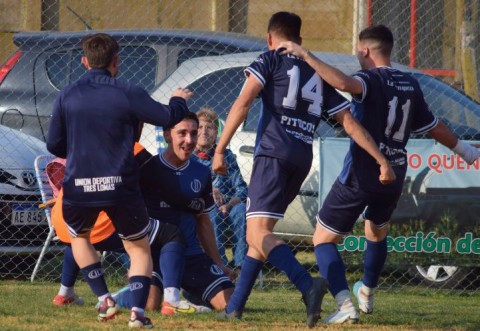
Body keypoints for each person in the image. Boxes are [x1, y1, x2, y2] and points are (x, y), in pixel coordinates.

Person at [277, 25, 480, 324]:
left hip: (363, 172)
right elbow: (433, 125)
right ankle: (368, 291)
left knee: (322, 240)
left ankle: (345, 304)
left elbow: (344, 83)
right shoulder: (410, 83)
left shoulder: (370, 78)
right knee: (376, 231)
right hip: (396, 171)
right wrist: (467, 152)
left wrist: (306, 55)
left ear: (364, 51)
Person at [211, 12, 395, 328]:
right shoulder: (316, 70)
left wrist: (219, 149)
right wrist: (381, 159)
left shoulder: (270, 58)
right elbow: (349, 122)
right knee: (261, 235)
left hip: (273, 154)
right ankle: (235, 307)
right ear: (300, 41)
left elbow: (244, 101)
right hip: (301, 159)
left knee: (257, 232)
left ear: (271, 39)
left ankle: (308, 285)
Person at [46, 32, 193, 328]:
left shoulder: (67, 94)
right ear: (116, 61)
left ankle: (103, 297)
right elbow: (166, 117)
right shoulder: (127, 91)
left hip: (79, 187)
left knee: (79, 238)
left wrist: (77, 148)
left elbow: (54, 145)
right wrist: (177, 100)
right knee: (138, 248)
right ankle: (137, 314)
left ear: (85, 61)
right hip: (120, 186)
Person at [112, 113, 236, 313]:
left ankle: (194, 293)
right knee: (150, 304)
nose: (189, 140)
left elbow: (203, 220)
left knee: (231, 305)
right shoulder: (147, 168)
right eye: (182, 133)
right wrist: (134, 260)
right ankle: (122, 296)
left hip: (191, 254)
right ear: (168, 135)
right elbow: (130, 219)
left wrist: (218, 263)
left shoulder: (201, 172)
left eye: (193, 134)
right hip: (154, 254)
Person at [193, 107, 248, 269]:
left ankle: (240, 266)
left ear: (216, 132)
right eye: (200, 127)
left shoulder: (227, 156)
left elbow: (243, 190)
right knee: (212, 212)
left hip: (229, 204)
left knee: (242, 211)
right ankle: (219, 264)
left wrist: (229, 204)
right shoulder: (189, 158)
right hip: (204, 205)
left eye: (209, 128)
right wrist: (208, 191)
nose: (204, 132)